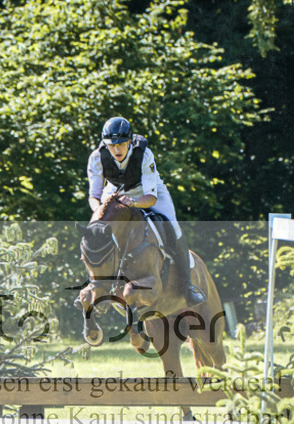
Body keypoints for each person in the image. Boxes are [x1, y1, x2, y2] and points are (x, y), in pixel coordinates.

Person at [86, 116, 206, 306]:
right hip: (116, 191)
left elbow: (151, 198)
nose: (116, 150)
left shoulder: (144, 154)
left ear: (129, 141)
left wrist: (133, 202)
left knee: (173, 227)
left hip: (147, 192)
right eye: (112, 145)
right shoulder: (96, 157)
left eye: (121, 144)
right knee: (94, 231)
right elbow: (94, 196)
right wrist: (100, 213)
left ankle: (188, 286)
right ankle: (93, 285)